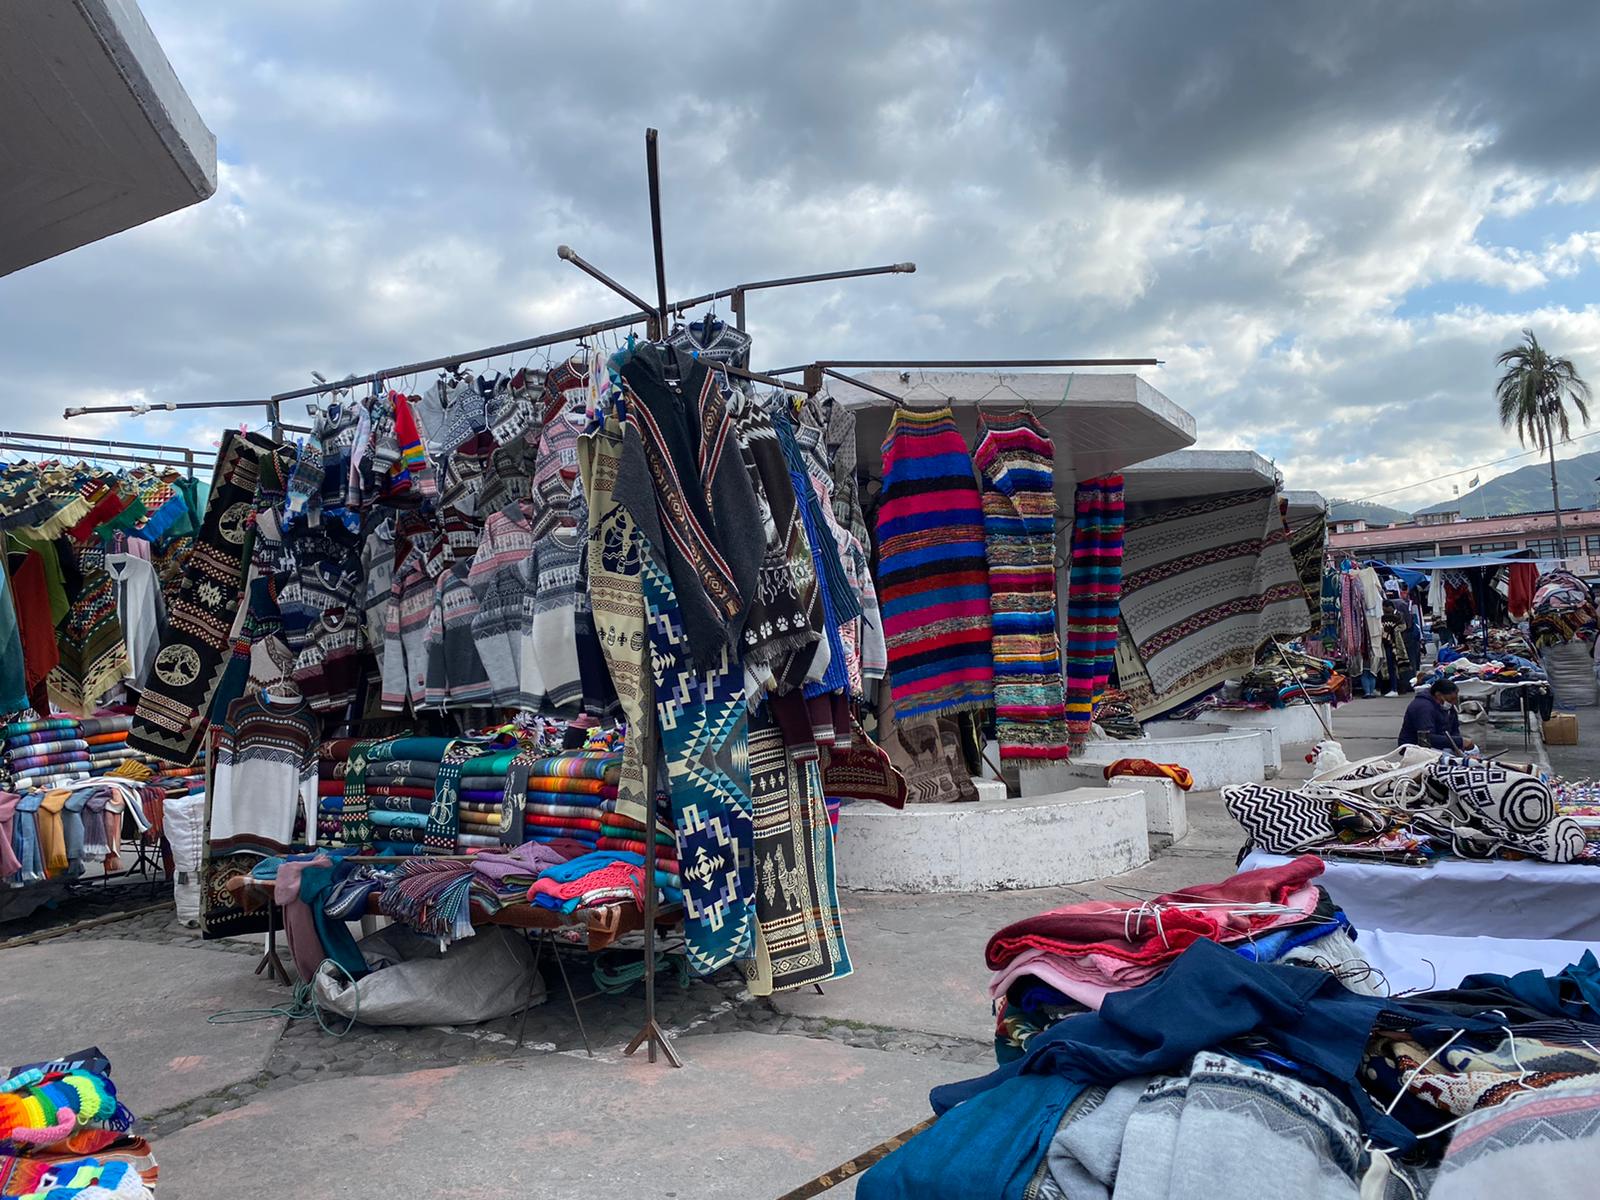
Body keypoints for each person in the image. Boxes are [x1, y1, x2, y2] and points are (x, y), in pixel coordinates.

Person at [1398, 680, 1476, 751]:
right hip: (1416, 747)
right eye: (1451, 699)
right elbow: (1428, 738)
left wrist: (1459, 744)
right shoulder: (1423, 707)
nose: (1453, 702)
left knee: (1474, 750)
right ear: (1438, 695)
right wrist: (1459, 741)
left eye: (1455, 699)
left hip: (1441, 742)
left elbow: (1454, 729)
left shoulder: (1448, 704)